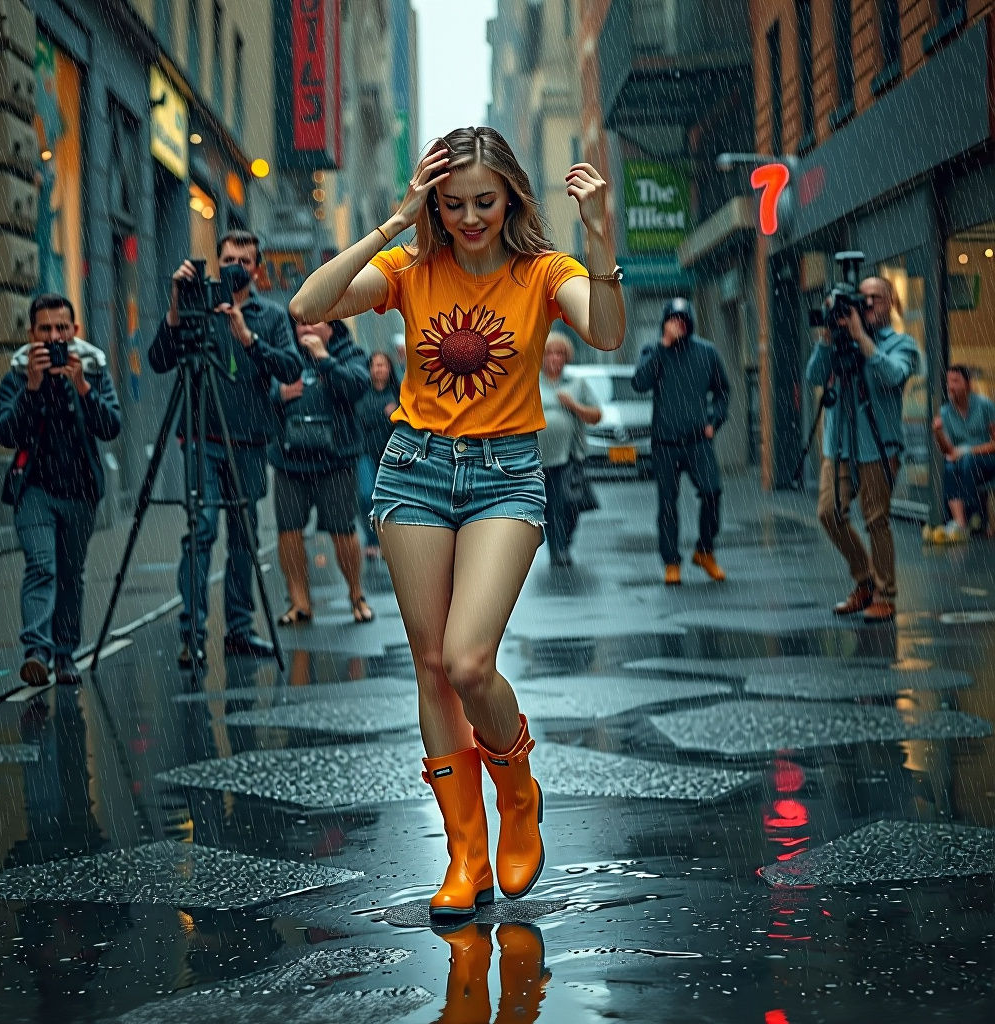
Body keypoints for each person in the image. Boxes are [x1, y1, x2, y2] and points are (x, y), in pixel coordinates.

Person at [289, 126, 625, 923]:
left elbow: (607, 331)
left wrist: (601, 232)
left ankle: (517, 789)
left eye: (485, 200)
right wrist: (395, 220)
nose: (471, 217)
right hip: (414, 471)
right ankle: (464, 852)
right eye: (454, 203)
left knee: (470, 661)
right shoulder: (411, 268)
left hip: (507, 473)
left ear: (509, 195)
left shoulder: (546, 271)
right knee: (432, 664)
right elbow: (305, 305)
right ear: (435, 202)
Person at [148, 229, 302, 667]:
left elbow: (291, 367)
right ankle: (191, 635)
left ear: (257, 268)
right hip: (202, 436)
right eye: (229, 258)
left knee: (244, 538)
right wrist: (178, 304)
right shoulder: (196, 305)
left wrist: (248, 337)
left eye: (245, 260)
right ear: (218, 262)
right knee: (202, 530)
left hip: (249, 442)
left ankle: (240, 629)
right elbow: (160, 359)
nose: (236, 266)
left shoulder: (270, 315)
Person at [0, 293, 122, 686]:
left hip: (80, 489)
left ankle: (65, 653)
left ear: (74, 330)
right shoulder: (18, 371)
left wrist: (82, 386)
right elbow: (4, 432)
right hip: (34, 489)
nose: (54, 337)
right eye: (45, 329)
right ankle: (36, 650)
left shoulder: (93, 365)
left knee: (70, 574)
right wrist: (32, 389)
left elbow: (111, 426)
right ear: (31, 333)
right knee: (41, 566)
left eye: (61, 329)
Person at [805, 276, 920, 622]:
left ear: (891, 304)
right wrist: (828, 338)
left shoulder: (901, 343)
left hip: (878, 448)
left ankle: (885, 594)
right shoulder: (838, 341)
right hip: (838, 446)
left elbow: (892, 376)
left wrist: (862, 340)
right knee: (829, 513)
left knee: (876, 521)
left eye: (877, 298)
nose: (869, 304)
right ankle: (864, 580)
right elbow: (814, 376)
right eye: (864, 298)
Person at [271, 319, 373, 625]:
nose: (305, 329)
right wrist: (279, 394)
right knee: (288, 531)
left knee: (343, 531)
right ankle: (300, 602)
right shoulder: (286, 353)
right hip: (290, 459)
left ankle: (356, 595)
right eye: (299, 324)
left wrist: (325, 360)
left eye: (313, 322)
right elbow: (262, 391)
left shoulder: (350, 353)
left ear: (331, 326)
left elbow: (355, 388)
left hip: (336, 460)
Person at [631, 298, 730, 586]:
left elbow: (723, 392)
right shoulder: (654, 351)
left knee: (712, 492)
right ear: (664, 322)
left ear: (690, 322)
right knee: (667, 504)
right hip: (665, 442)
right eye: (672, 319)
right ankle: (671, 562)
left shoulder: (707, 352)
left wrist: (714, 420)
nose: (678, 324)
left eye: (682, 319)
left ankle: (705, 551)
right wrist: (663, 346)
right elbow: (639, 383)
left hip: (699, 441)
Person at [537, 331, 601, 567]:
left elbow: (596, 416)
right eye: (550, 353)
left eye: (560, 353)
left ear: (566, 357)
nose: (555, 358)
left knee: (568, 504)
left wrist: (573, 405)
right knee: (549, 507)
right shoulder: (531, 382)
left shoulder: (577, 384)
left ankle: (563, 540)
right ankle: (558, 549)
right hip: (536, 458)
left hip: (568, 455)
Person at [933, 364, 995, 539]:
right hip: (963, 463)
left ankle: (975, 517)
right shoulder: (945, 412)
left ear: (968, 384)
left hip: (987, 459)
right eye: (948, 382)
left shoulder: (985, 405)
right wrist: (938, 433)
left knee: (967, 461)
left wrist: (969, 450)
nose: (950, 386)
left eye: (955, 381)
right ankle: (961, 524)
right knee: (950, 466)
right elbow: (949, 451)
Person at [355, 350, 402, 559]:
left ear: (389, 368)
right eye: (375, 365)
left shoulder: (399, 393)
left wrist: (392, 415)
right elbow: (360, 417)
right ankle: (372, 539)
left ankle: (388, 539)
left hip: (391, 452)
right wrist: (384, 414)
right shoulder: (361, 392)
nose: (379, 369)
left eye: (382, 365)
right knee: (366, 495)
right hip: (365, 451)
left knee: (390, 497)